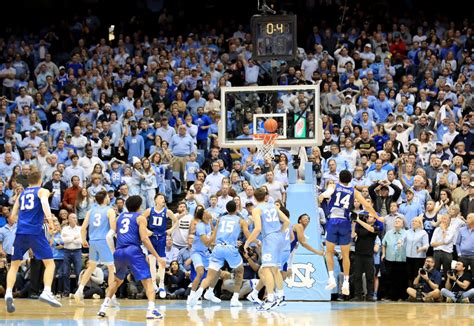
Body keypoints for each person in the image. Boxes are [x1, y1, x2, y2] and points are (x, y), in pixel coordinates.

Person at [97, 196, 164, 320]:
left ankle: (103, 307)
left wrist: (114, 250)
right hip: (133, 251)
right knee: (148, 281)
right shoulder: (140, 217)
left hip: (119, 251)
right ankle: (151, 310)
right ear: (139, 206)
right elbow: (144, 239)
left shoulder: (120, 217)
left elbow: (115, 234)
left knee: (117, 280)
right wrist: (157, 256)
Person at [4, 169, 61, 313]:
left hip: (20, 232)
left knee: (14, 265)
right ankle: (47, 291)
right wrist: (50, 221)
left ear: (28, 181)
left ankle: (9, 292)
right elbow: (44, 204)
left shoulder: (22, 194)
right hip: (35, 232)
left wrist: (24, 220)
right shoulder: (42, 191)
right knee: (50, 264)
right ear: (40, 179)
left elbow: (12, 215)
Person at [318, 170, 379, 296]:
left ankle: (331, 279)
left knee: (329, 252)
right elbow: (367, 206)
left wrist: (321, 196)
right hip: (345, 222)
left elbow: (325, 194)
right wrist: (377, 217)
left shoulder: (333, 186)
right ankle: (346, 282)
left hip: (333, 220)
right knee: (345, 255)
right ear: (350, 179)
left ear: (338, 178)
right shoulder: (354, 191)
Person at [189, 200, 251, 307]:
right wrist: (256, 241)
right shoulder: (240, 220)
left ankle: (203, 291)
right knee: (240, 271)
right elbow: (248, 234)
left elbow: (216, 232)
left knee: (211, 275)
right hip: (230, 248)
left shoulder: (220, 219)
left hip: (217, 248)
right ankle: (235, 299)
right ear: (236, 209)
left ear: (226, 209)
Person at [244, 187, 290, 311]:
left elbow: (257, 228)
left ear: (254, 198)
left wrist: (247, 242)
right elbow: (286, 221)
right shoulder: (274, 206)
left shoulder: (256, 209)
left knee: (266, 269)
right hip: (280, 239)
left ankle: (270, 299)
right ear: (266, 197)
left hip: (270, 239)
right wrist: (280, 231)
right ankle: (281, 296)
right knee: (275, 269)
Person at [74, 191, 116, 304]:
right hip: (104, 241)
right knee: (112, 268)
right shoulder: (110, 210)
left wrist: (83, 240)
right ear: (105, 198)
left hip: (93, 241)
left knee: (91, 267)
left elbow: (83, 228)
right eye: (107, 196)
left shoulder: (90, 211)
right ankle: (111, 297)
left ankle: (79, 290)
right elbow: (113, 228)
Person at [140, 193, 178, 298]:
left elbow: (176, 221)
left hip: (161, 238)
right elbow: (140, 221)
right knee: (152, 261)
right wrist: (146, 230)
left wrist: (171, 229)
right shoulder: (149, 210)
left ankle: (161, 284)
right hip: (152, 237)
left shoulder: (167, 211)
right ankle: (153, 283)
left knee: (162, 262)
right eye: (161, 197)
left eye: (164, 198)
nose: (163, 199)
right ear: (156, 200)